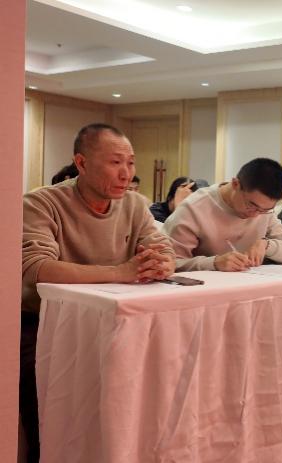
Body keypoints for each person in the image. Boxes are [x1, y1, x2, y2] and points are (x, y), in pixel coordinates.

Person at [21, 123, 176, 462]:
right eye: (115, 162)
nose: (126, 174)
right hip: (43, 322)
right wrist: (121, 272)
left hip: (113, 317)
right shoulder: (42, 202)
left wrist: (163, 263)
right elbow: (37, 268)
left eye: (130, 163)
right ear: (81, 163)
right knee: (45, 400)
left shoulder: (135, 205)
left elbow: (163, 247)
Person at [163, 158, 282, 271]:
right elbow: (169, 263)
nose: (255, 215)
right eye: (251, 205)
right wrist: (214, 263)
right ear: (235, 184)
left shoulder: (263, 211)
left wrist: (267, 245)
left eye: (265, 210)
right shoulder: (194, 208)